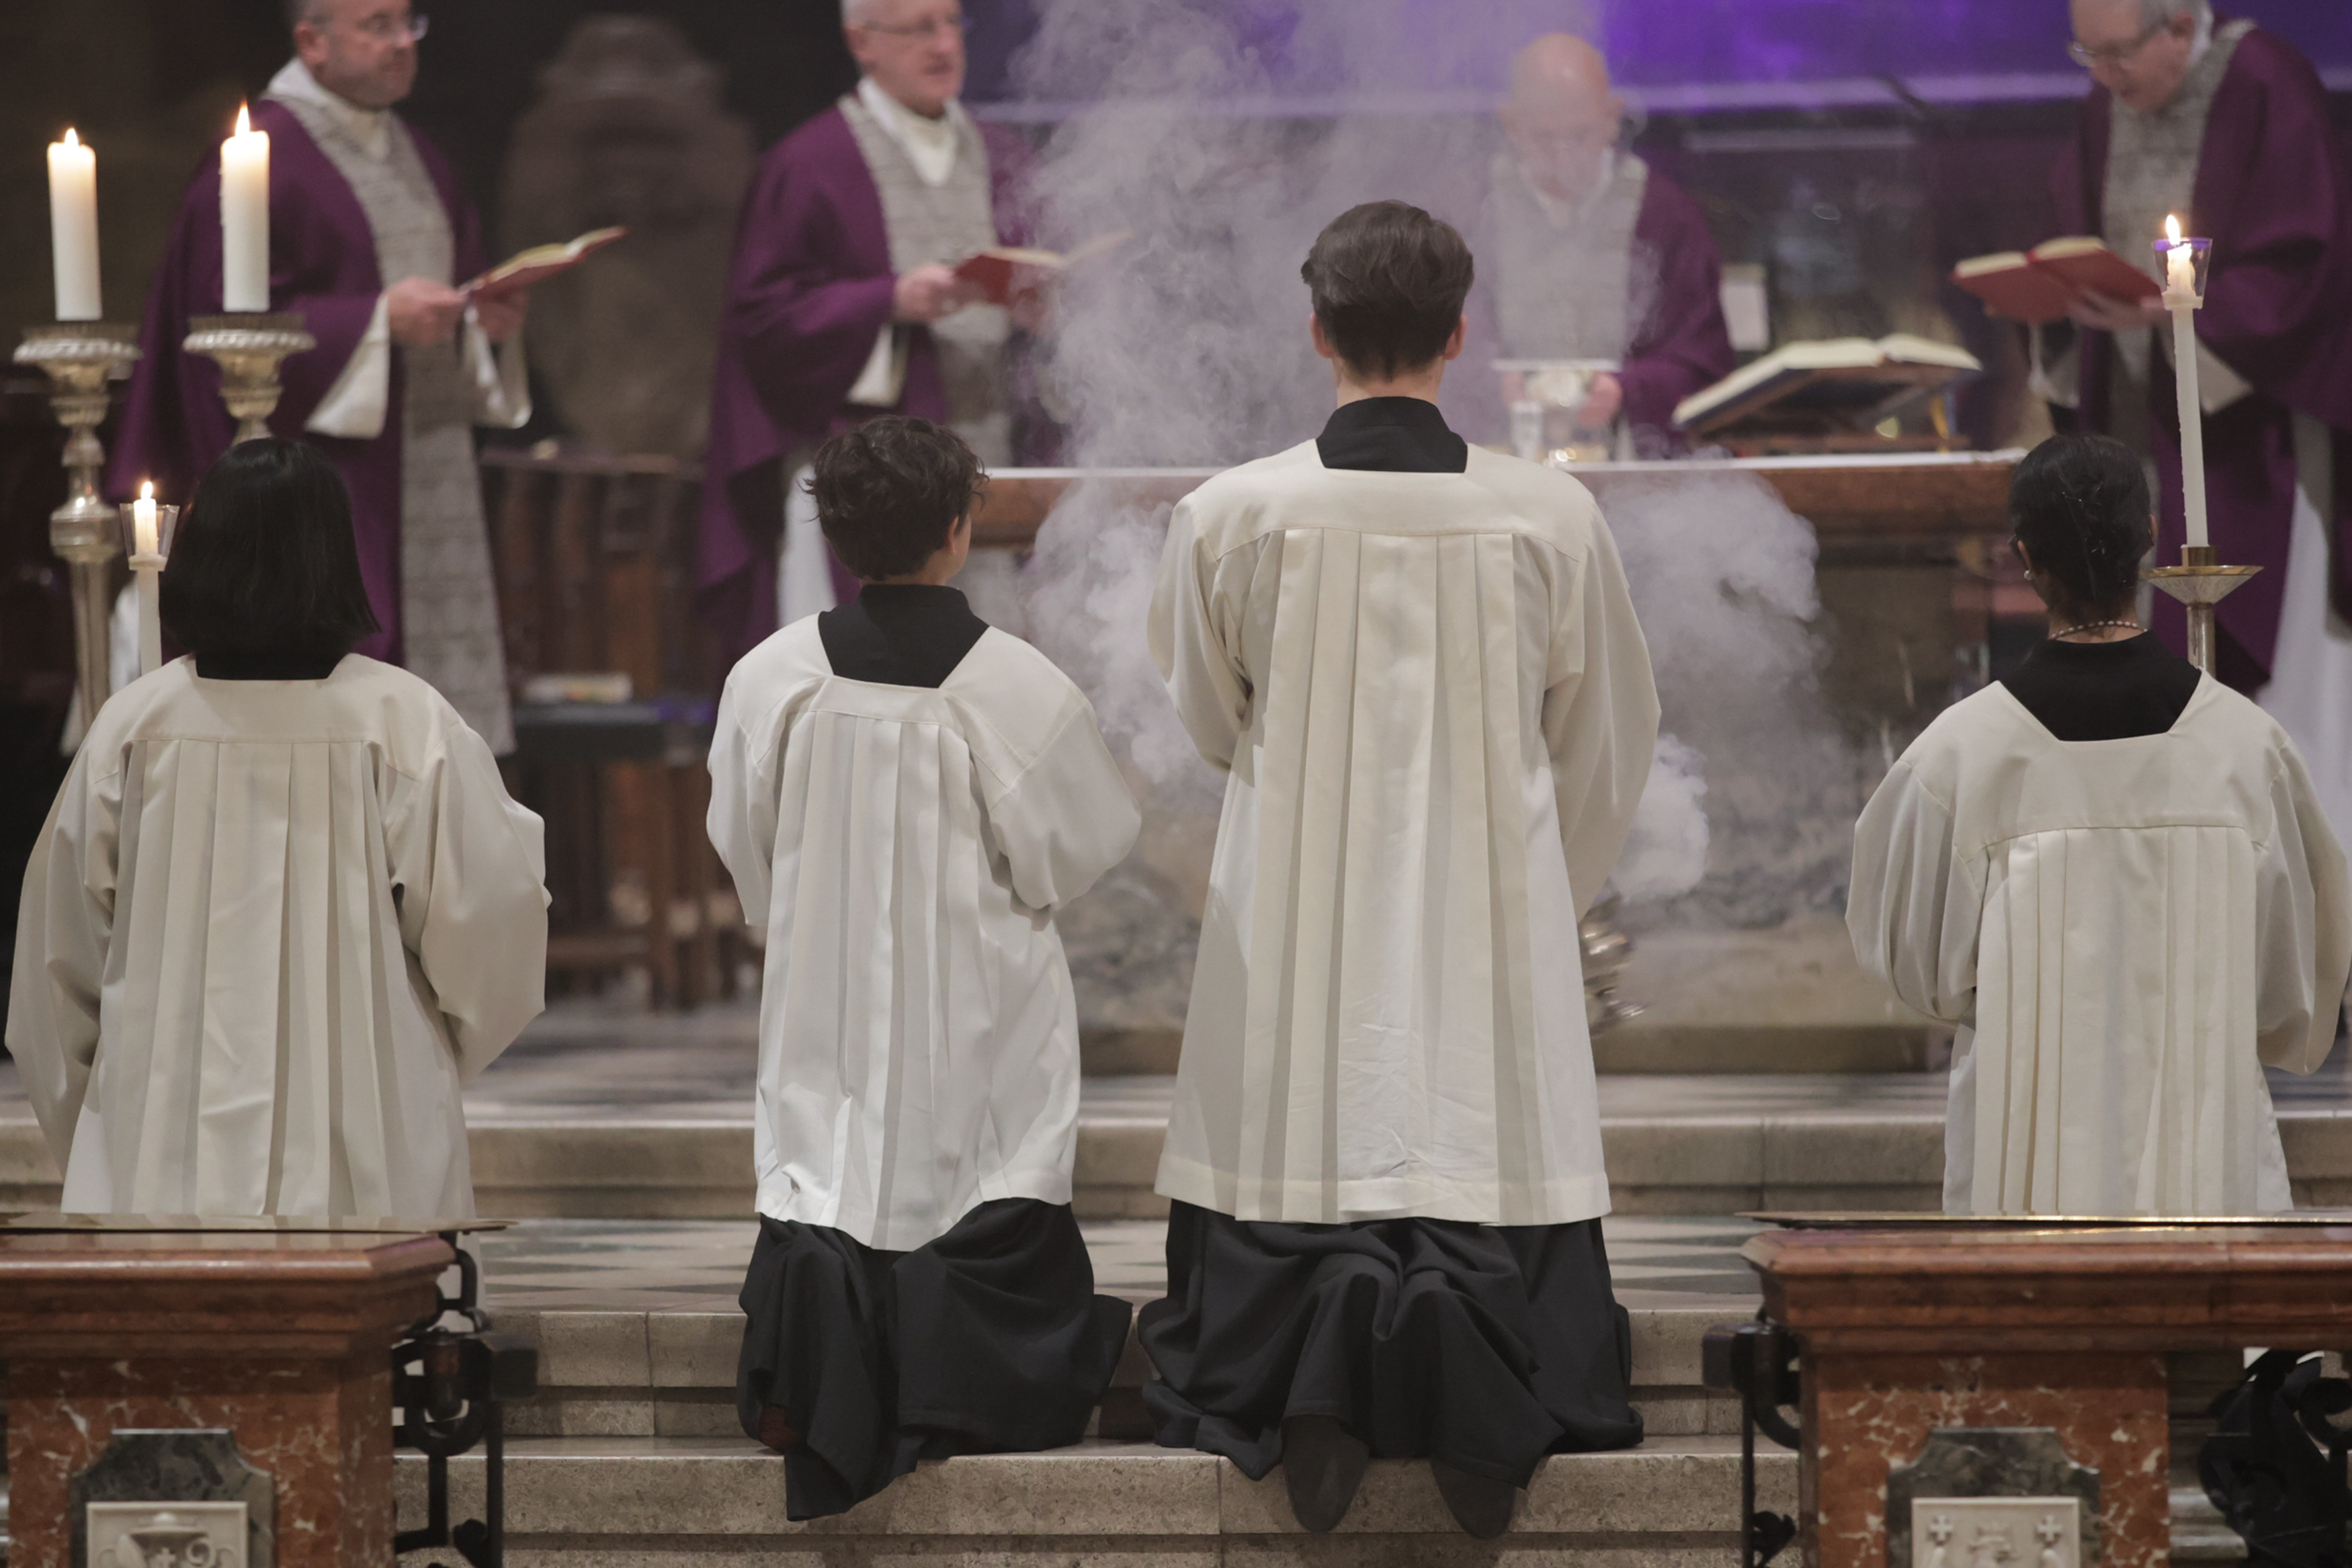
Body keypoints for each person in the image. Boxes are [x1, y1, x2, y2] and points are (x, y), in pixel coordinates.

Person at [1144, 202, 1658, 1538]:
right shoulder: (1548, 514)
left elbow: (1210, 717)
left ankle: (1306, 1374)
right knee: (1476, 1139)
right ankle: (1481, 1393)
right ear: (1461, 336)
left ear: (1314, 331)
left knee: (1298, 1137)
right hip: (1487, 916)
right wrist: (1535, 882)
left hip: (1298, 903)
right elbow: (1604, 743)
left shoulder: (1230, 515)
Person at [708, 415, 1140, 1521]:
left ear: (839, 534)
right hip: (981, 999)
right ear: (959, 531)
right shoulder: (1017, 686)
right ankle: (973, 1381)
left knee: (829, 1160)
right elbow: (1078, 847)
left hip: (827, 994)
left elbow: (744, 843)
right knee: (986, 1157)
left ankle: (821, 1378)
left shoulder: (772, 675)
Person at [6, 439, 549, 1219]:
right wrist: (415, 1065)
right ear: (332, 556)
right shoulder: (404, 722)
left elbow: (57, 966)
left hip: (157, 1150)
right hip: (371, 1141)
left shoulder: (134, 727)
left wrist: (103, 1129)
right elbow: (490, 933)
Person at [1849, 433, 2351, 1215]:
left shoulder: (1958, 755)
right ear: (2149, 537)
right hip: (2203, 1147)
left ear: (2023, 557)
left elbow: (1916, 967)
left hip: (2024, 1157)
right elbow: (2291, 986)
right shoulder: (2244, 749)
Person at [112, 0, 532, 752]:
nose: (402, 43)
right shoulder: (262, 151)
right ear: (311, 40)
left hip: (428, 462)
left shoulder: (413, 150)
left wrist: (478, 323)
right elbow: (215, 328)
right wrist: (373, 322)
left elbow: (448, 284)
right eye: (377, 25)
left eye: (409, 23)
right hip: (328, 480)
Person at [2039, 0, 2352, 842]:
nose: (2105, 77)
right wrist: (2065, 300)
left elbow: (2309, 259)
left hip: (2254, 435)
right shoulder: (2101, 106)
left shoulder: (2260, 79)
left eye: (2119, 55)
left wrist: (2178, 314)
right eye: (2087, 56)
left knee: (2285, 688)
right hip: (2144, 439)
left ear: (2177, 26)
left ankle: (2306, 887)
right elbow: (2076, 230)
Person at [701, 0, 1036, 668]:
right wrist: (886, 300)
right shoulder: (809, 163)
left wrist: (1046, 310)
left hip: (993, 461)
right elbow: (761, 325)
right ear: (862, 41)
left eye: (951, 24)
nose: (943, 45)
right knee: (865, 693)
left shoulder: (1003, 157)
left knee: (987, 684)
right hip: (863, 482)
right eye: (918, 28)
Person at [1480, 34, 1734, 453]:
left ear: (1612, 117)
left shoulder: (1665, 213)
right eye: (1545, 138)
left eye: (1580, 136)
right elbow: (1433, 346)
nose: (1564, 157)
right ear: (1511, 124)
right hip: (1496, 460)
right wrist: (1493, 386)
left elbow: (1703, 360)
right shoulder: (1469, 210)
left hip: (1632, 464)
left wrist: (1627, 392)